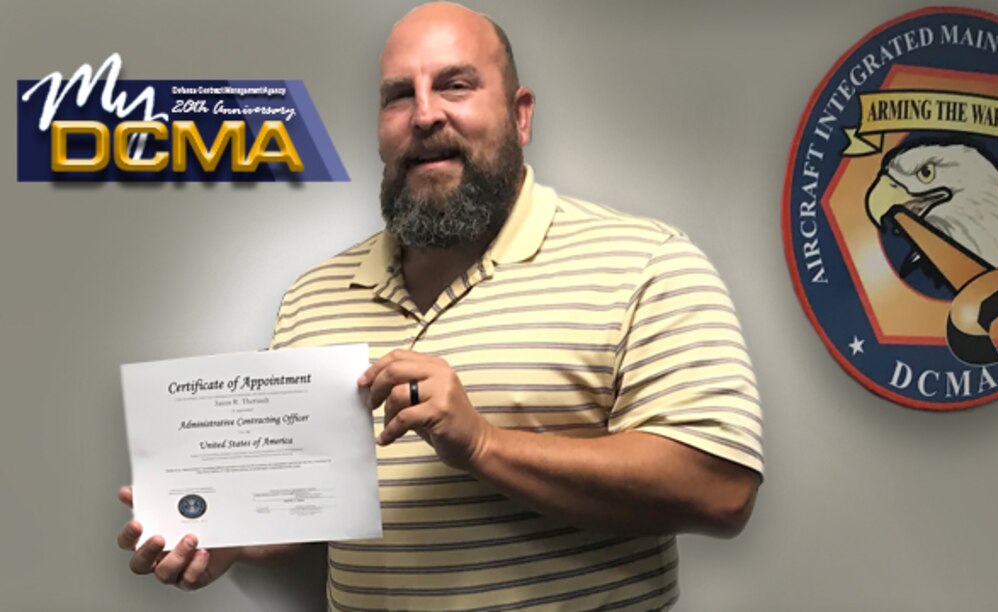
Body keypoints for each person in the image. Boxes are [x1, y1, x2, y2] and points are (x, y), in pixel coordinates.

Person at [117, 2, 764, 609]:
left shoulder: (645, 263)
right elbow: (314, 502)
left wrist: (483, 444)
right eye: (399, 95)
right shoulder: (312, 296)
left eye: (455, 85)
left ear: (521, 114)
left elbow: (721, 489)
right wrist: (240, 532)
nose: (425, 115)